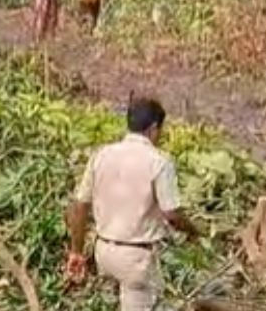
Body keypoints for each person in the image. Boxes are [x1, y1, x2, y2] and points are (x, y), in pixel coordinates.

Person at [65, 98, 200, 311]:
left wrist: (77, 251)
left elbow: (80, 206)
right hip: (135, 259)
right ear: (154, 128)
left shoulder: (101, 155)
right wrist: (193, 232)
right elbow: (171, 214)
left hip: (104, 252)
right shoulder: (159, 162)